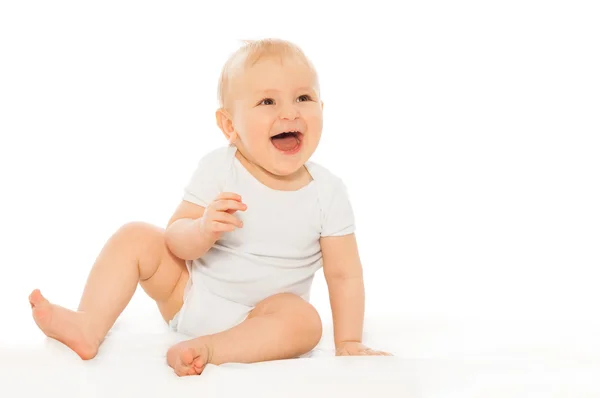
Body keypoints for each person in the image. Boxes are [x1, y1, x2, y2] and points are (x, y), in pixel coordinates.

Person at [29, 38, 392, 377]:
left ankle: (209, 349)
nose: (290, 113)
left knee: (306, 321)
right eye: (268, 102)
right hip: (188, 297)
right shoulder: (220, 168)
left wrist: (348, 341)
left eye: (303, 98)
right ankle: (88, 325)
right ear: (229, 125)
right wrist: (202, 230)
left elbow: (345, 275)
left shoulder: (327, 192)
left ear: (322, 110)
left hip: (262, 318)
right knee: (135, 236)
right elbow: (175, 238)